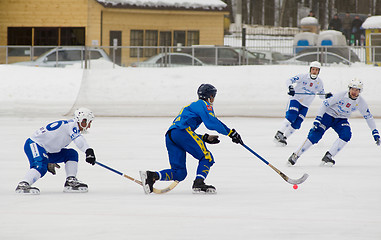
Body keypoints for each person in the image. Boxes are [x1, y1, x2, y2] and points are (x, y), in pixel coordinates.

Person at [139, 84, 243, 194]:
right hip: (182, 132)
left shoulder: (192, 106)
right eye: (213, 96)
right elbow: (211, 122)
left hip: (171, 135)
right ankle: (199, 182)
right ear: (210, 96)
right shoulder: (203, 104)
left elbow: (182, 131)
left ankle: (152, 176)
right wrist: (231, 133)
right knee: (206, 157)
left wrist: (204, 137)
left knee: (180, 173)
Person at [288, 78, 380, 166]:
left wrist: (374, 131)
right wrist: (318, 118)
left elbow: (368, 117)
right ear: (349, 89)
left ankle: (329, 156)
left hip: (341, 120)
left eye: (357, 90)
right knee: (315, 135)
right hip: (328, 116)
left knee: (346, 135)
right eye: (352, 89)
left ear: (360, 91)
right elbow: (325, 104)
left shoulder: (361, 102)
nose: (354, 92)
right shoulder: (340, 95)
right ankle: (296, 154)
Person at [15, 107, 96, 194]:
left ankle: (70, 181)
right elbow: (79, 140)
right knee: (40, 166)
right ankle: (24, 184)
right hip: (34, 144)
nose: (89, 126)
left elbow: (52, 141)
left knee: (72, 154)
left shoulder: (71, 126)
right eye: (88, 122)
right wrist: (88, 151)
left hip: (45, 150)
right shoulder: (72, 125)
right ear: (82, 120)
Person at [274, 61, 332, 146]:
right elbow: (289, 80)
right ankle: (279, 134)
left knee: (297, 123)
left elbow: (321, 95)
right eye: (313, 69)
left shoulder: (319, 82)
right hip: (296, 100)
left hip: (305, 105)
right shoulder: (303, 77)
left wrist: (326, 96)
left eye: (316, 70)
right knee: (291, 116)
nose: (314, 71)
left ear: (319, 71)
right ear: (310, 70)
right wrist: (291, 88)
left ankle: (284, 137)